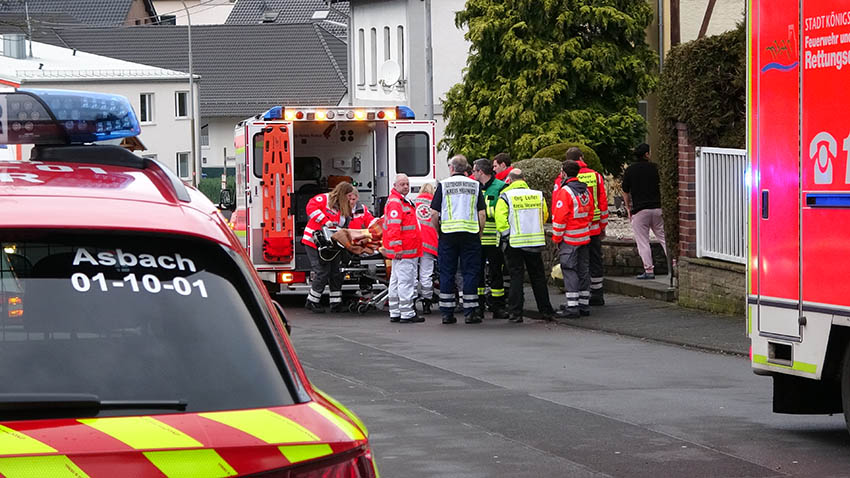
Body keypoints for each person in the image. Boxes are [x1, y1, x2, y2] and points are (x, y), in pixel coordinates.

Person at [430, 155, 486, 324]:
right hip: (470, 233)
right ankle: (470, 312)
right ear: (466, 168)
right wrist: (480, 233)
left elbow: (433, 213)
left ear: (452, 168)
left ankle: (447, 313)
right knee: (470, 272)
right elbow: (481, 214)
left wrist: (438, 231)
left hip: (448, 234)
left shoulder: (444, 185)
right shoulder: (475, 185)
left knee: (447, 272)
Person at [494, 169, 556, 322]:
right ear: (524, 179)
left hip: (514, 243)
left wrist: (507, 236)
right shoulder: (537, 195)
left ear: (509, 180)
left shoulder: (505, 196)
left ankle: (516, 313)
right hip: (534, 242)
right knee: (538, 277)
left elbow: (500, 219)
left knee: (516, 277)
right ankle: (546, 310)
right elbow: (545, 215)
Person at [303, 182, 375, 313]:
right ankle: (312, 301)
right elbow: (310, 207)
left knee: (336, 272)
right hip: (314, 242)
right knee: (322, 271)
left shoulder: (344, 207)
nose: (350, 200)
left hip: (333, 245)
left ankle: (335, 303)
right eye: (348, 196)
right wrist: (325, 221)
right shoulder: (325, 199)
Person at [554, 148, 609, 305]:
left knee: (572, 265)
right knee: (593, 261)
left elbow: (558, 208)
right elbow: (602, 202)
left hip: (571, 231)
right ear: (582, 157)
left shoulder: (561, 182)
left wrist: (557, 235)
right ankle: (596, 293)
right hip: (591, 227)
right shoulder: (595, 175)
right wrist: (602, 225)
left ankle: (574, 300)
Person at [552, 160, 594, 318]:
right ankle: (584, 304)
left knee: (569, 270)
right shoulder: (585, 190)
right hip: (584, 236)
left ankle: (572, 306)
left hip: (570, 238)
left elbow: (561, 218)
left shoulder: (565, 191)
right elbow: (591, 212)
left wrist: (556, 238)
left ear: (564, 172)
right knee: (583, 270)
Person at [383, 174, 424, 323]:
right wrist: (397, 248)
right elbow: (394, 228)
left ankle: (395, 311)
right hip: (405, 251)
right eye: (402, 184)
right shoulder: (397, 203)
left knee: (396, 281)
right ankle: (407, 313)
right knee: (406, 281)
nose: (406, 186)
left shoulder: (402, 201)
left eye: (407, 184)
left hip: (406, 250)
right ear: (395, 185)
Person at [622, 143, 666, 279]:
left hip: (640, 210)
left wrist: (628, 207)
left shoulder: (630, 170)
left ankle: (649, 270)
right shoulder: (656, 168)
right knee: (664, 238)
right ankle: (674, 265)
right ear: (646, 154)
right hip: (658, 208)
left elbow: (625, 191)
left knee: (643, 241)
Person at [471, 158, 508, 319]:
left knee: (495, 274)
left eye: (474, 170)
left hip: (493, 239)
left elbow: (504, 211)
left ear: (480, 171)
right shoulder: (473, 187)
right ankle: (478, 307)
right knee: (476, 273)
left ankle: (497, 306)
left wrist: (485, 213)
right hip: (476, 239)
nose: (472, 173)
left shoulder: (500, 187)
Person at [412, 183, 438, 314]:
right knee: (426, 273)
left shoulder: (413, 202)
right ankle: (427, 302)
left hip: (414, 242)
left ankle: (412, 301)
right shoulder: (435, 202)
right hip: (429, 242)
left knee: (412, 274)